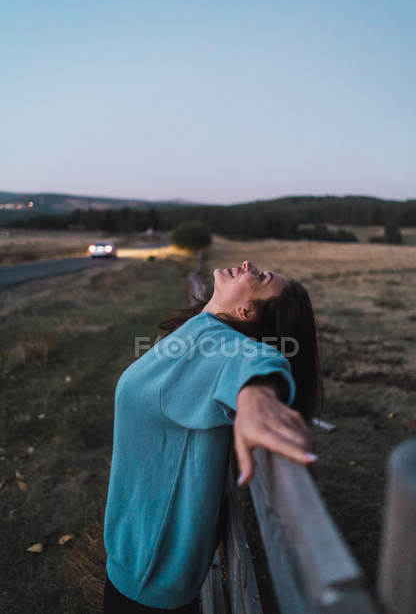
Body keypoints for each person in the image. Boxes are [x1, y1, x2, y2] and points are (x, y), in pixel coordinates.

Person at [103, 260, 323, 613]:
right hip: (136, 558)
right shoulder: (202, 331)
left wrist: (257, 395)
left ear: (246, 311)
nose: (250, 265)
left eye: (262, 277)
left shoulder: (221, 345)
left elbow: (252, 360)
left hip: (151, 575)